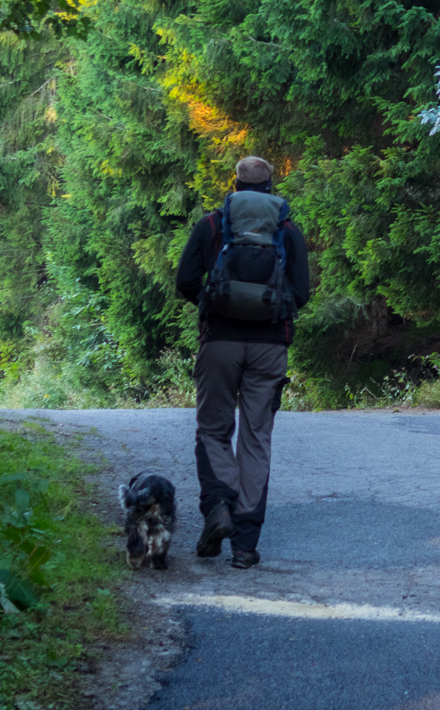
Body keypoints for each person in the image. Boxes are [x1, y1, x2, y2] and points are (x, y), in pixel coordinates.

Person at [174, 156, 310, 569]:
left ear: (234, 185)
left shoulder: (212, 225)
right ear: (271, 186)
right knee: (256, 438)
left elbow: (185, 281)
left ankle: (218, 508)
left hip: (219, 343)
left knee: (213, 430)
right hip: (270, 346)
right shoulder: (288, 231)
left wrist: (214, 306)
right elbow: (300, 292)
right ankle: (246, 546)